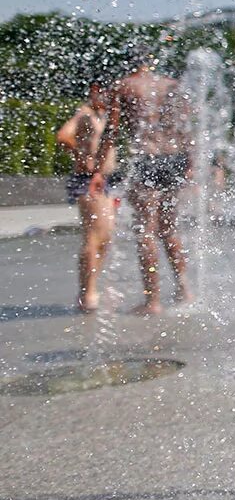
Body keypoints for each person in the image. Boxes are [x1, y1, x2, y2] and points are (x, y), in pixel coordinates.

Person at [90, 49, 192, 316]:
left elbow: (111, 132)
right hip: (176, 158)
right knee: (169, 229)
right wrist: (190, 163)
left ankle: (153, 301)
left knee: (146, 230)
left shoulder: (124, 86)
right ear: (151, 63)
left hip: (147, 158)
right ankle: (184, 289)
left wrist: (99, 169)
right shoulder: (172, 85)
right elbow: (186, 126)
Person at [57, 82, 117, 313]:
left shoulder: (103, 114)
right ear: (94, 90)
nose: (109, 96)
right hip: (88, 179)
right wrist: (83, 156)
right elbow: (63, 136)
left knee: (105, 237)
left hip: (103, 180)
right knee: (94, 236)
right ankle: (87, 294)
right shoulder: (85, 113)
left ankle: (89, 289)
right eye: (103, 91)